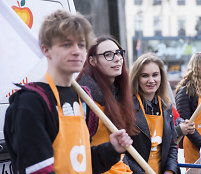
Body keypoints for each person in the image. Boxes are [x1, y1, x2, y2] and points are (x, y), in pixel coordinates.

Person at [4, 10, 132, 174]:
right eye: (66, 44)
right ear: (46, 50)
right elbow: (39, 170)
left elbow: (80, 162)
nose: (76, 51)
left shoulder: (82, 97)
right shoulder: (30, 102)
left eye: (81, 44)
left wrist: (112, 150)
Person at [76, 35, 138, 173]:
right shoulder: (84, 98)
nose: (117, 59)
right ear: (92, 60)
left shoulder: (119, 92)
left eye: (118, 53)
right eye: (107, 55)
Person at [126, 53, 178, 174]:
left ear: (161, 77)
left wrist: (170, 170)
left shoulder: (166, 107)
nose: (151, 80)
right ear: (137, 78)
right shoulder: (126, 108)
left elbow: (172, 145)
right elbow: (123, 151)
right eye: (145, 76)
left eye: (155, 75)